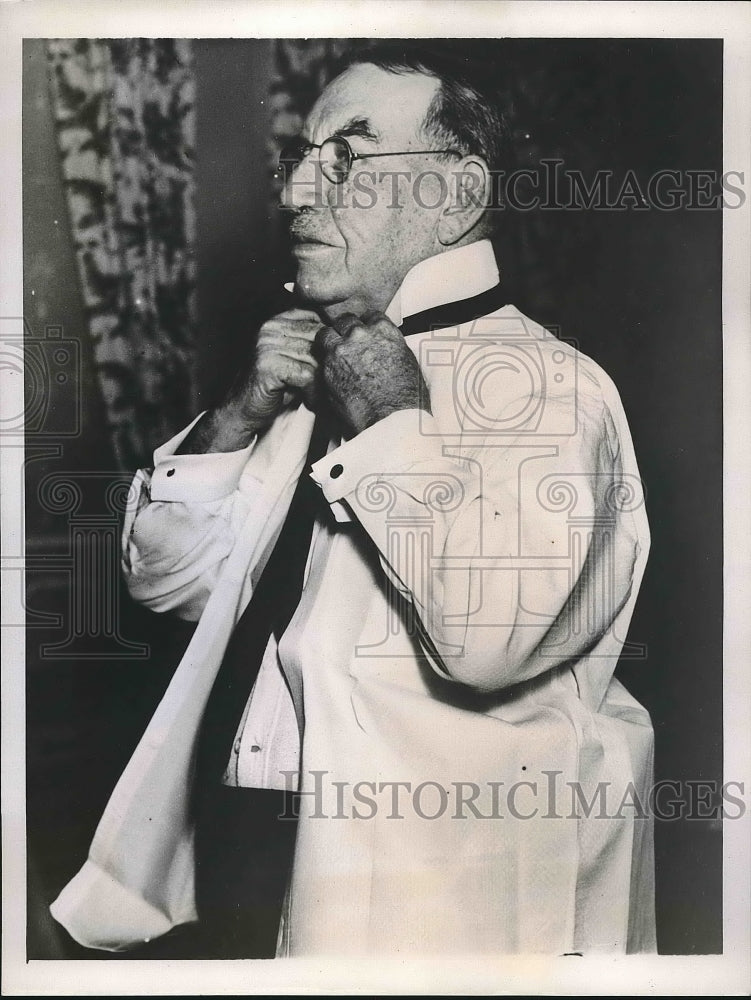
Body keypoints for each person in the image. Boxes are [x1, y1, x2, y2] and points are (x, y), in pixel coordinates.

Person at [51, 43, 655, 957]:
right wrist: (236, 418)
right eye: (301, 158)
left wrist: (391, 421)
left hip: (468, 905)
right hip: (281, 864)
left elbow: (489, 639)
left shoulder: (551, 390)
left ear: (452, 198)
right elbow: (171, 591)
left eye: (347, 159)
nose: (296, 193)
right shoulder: (321, 372)